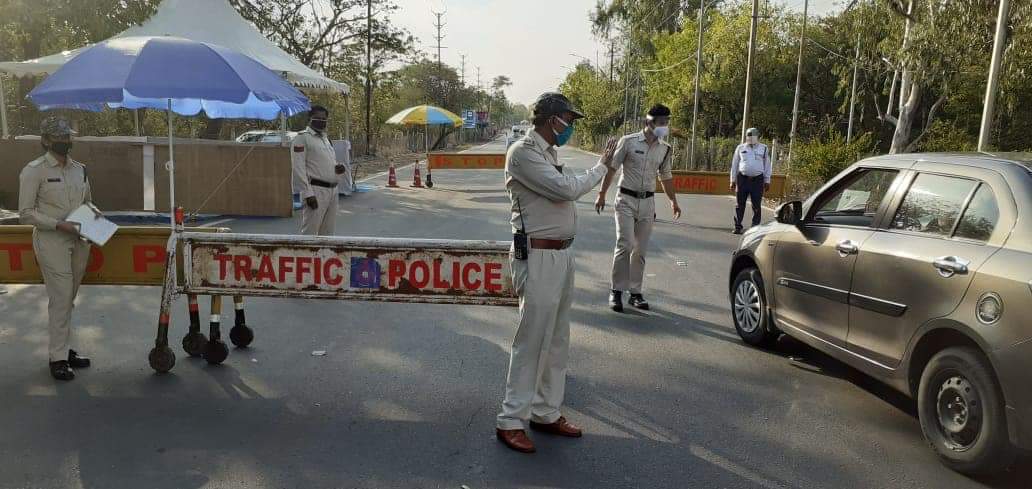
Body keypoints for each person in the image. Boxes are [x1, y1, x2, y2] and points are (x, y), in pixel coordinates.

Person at [496, 92, 618, 454]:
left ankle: (545, 411)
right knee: (532, 340)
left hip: (560, 255)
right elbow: (566, 189)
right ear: (552, 120)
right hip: (537, 256)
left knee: (557, 339)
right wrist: (602, 167)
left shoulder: (547, 153)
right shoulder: (523, 153)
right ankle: (511, 419)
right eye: (569, 119)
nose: (571, 126)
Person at [19, 116, 94, 380]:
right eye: (60, 137)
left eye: (68, 137)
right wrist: (59, 225)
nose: (65, 141)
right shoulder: (34, 170)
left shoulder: (80, 169)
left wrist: (97, 222)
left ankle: (64, 348)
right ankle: (58, 358)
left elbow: (88, 202)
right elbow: (26, 214)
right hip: (52, 241)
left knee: (68, 298)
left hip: (80, 240)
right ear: (46, 140)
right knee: (61, 297)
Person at [595, 104, 682, 312]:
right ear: (649, 122)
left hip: (647, 203)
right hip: (625, 199)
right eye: (661, 123)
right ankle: (616, 291)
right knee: (624, 244)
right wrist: (601, 194)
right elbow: (612, 169)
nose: (665, 126)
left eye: (667, 122)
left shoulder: (665, 148)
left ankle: (635, 293)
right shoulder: (628, 142)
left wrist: (673, 200)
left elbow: (666, 177)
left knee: (640, 250)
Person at [291, 105, 346, 235]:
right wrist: (307, 194)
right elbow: (298, 167)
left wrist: (338, 168)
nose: (321, 121)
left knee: (328, 233)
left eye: (324, 119)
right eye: (317, 118)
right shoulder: (302, 138)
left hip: (332, 191)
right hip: (315, 191)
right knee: (310, 233)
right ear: (310, 118)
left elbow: (324, 163)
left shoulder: (326, 139)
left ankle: (324, 256)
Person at [729, 127, 771, 234]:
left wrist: (767, 180)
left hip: (757, 180)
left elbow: (767, 165)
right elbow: (735, 164)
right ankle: (738, 226)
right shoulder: (740, 148)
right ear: (746, 137)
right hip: (742, 179)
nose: (751, 138)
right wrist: (732, 180)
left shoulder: (764, 148)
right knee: (739, 204)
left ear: (757, 137)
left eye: (752, 136)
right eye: (749, 136)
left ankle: (754, 228)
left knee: (756, 204)